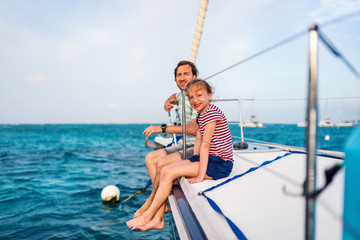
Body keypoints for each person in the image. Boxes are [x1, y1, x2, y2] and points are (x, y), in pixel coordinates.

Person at [127, 79, 234, 231]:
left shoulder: (212, 113)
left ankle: (148, 215)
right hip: (208, 159)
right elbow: (198, 141)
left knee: (169, 172)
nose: (195, 100)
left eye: (199, 95)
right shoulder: (201, 114)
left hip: (219, 164)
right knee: (165, 169)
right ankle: (158, 220)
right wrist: (192, 161)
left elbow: (205, 146)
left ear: (209, 95)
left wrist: (199, 175)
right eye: (191, 97)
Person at [133, 61, 198, 218]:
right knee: (150, 158)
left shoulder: (196, 97)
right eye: (179, 75)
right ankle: (161, 208)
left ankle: (151, 202)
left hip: (197, 146)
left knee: (162, 163)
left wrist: (162, 128)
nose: (182, 78)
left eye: (186, 74)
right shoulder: (182, 94)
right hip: (186, 143)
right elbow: (175, 97)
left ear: (195, 76)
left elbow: (194, 129)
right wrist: (169, 99)